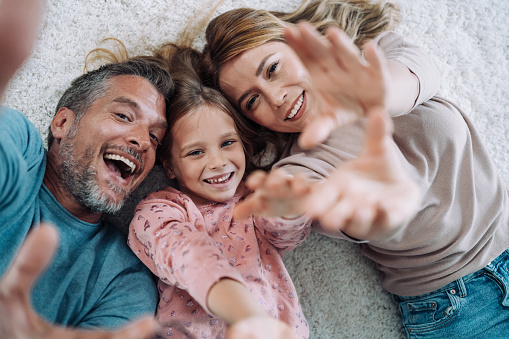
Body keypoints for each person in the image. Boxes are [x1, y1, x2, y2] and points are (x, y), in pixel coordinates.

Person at [196, 0, 509, 337]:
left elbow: (410, 79)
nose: (275, 97)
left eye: (272, 69)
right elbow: (351, 214)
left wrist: (369, 97)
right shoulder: (300, 166)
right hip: (456, 303)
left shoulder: (378, 57)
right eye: (252, 101)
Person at [0, 0, 174, 337]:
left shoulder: (125, 280)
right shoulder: (20, 147)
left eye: (155, 137)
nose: (143, 141)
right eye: (124, 115)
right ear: (63, 123)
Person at [127, 45, 311, 339]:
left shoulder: (253, 196)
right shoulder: (159, 210)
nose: (217, 162)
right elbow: (184, 255)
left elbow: (285, 236)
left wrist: (288, 209)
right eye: (196, 152)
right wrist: (246, 316)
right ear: (170, 166)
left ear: (244, 145)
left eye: (227, 143)